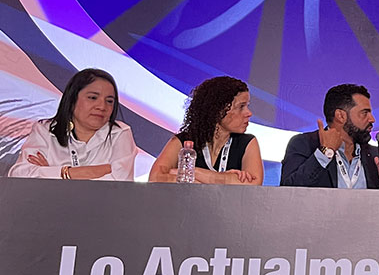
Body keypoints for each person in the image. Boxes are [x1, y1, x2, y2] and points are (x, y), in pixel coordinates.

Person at [7, 68, 137, 181]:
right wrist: (68, 173)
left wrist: (51, 173)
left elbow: (119, 184)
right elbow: (19, 174)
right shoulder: (45, 130)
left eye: (109, 101)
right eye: (93, 98)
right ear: (72, 99)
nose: (102, 106)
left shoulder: (120, 132)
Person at [148, 76, 263, 185]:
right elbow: (156, 178)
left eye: (247, 106)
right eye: (241, 106)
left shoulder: (247, 142)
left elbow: (253, 184)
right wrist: (226, 179)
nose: (249, 113)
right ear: (219, 110)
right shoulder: (183, 141)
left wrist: (189, 172)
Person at [280, 84, 379, 188]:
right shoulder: (304, 144)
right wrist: (324, 153)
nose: (372, 119)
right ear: (341, 116)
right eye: (365, 113)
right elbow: (288, 191)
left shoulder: (375, 156)